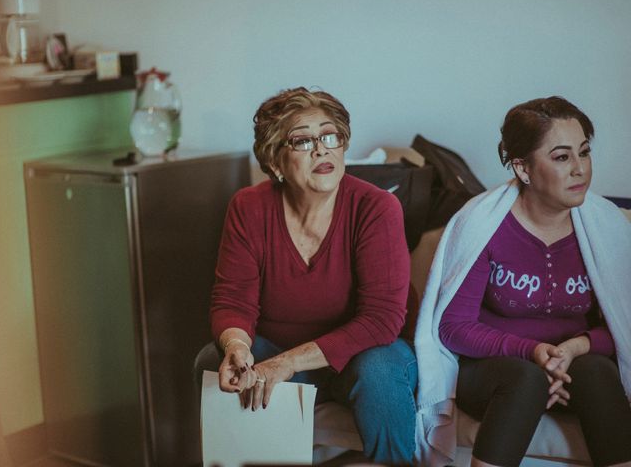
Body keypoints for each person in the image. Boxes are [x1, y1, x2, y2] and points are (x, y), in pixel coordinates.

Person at [194, 87, 418, 464]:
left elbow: (382, 321)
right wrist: (237, 347)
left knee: (378, 370)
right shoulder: (249, 208)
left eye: (330, 136)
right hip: (277, 349)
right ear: (276, 162)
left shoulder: (377, 207)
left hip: (362, 355)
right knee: (209, 360)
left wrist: (288, 363)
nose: (322, 149)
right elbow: (233, 299)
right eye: (302, 140)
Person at [414, 96, 631, 467]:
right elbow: (452, 327)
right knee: (525, 380)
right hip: (494, 371)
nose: (579, 169)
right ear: (523, 168)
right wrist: (530, 352)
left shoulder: (609, 226)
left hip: (574, 365)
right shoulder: (482, 225)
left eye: (584, 152)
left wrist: (576, 348)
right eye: (562, 157)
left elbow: (624, 325)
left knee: (595, 370)